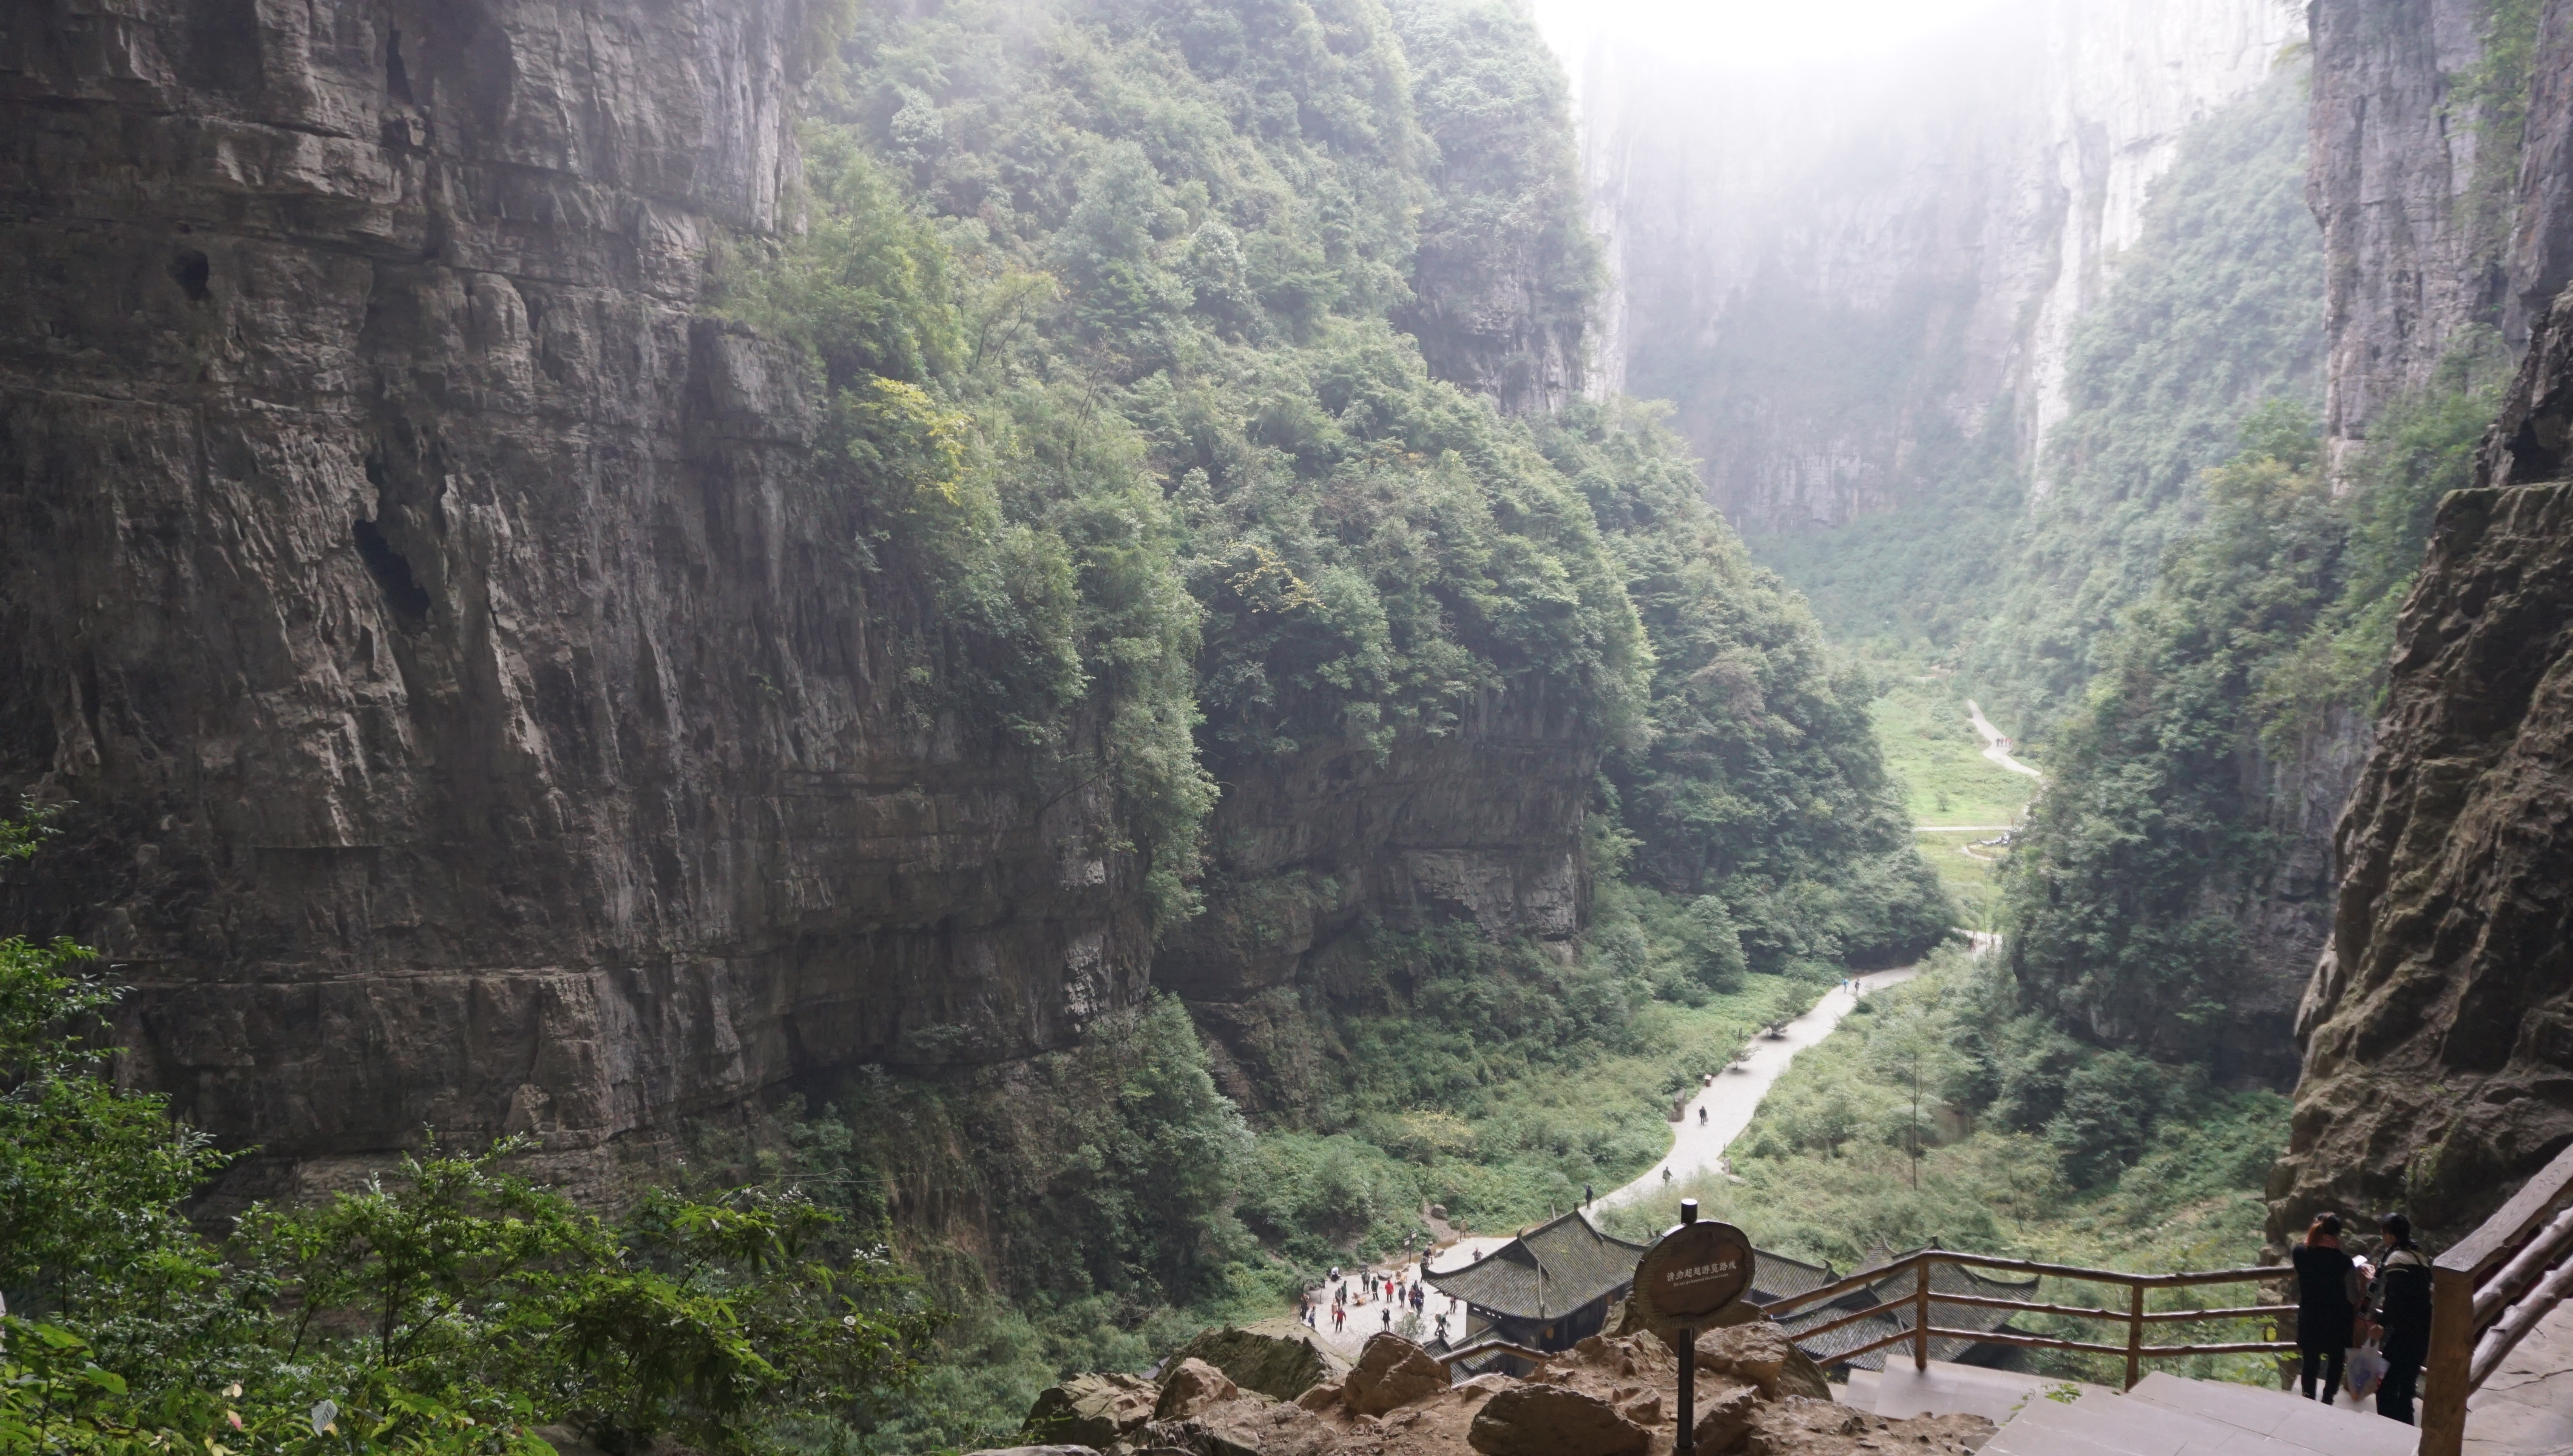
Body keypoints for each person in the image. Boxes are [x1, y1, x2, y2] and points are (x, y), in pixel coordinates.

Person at [2373, 1212, 2432, 1424]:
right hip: (2423, 1333)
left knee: (2386, 1388)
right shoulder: (2421, 1259)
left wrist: (2381, 1323)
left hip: (2404, 1334)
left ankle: (2389, 1432)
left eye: (2384, 1232)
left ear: (2390, 1235)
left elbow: (2394, 1297)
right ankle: (2406, 1434)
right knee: (2406, 1389)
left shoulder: (2396, 1258)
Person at [2293, 1213, 2358, 1403]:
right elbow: (2352, 1295)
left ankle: (2308, 1395)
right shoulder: (2344, 1261)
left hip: (2310, 1315)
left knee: (2310, 1359)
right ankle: (2328, 1398)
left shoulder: (2299, 1253)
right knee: (2336, 1360)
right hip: (2338, 1318)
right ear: (2337, 1234)